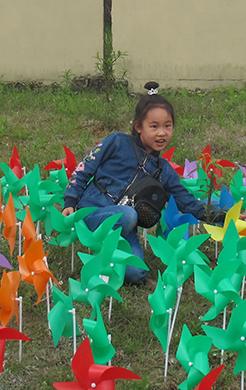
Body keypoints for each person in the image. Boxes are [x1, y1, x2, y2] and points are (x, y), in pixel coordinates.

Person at [60, 81, 210, 285]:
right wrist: (70, 201)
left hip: (124, 223)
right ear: (138, 126)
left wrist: (226, 216)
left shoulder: (163, 170)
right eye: (154, 126)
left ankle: (110, 253)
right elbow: (85, 168)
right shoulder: (117, 142)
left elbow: (188, 203)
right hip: (93, 211)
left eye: (168, 126)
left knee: (135, 273)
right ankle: (99, 251)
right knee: (129, 214)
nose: (162, 133)